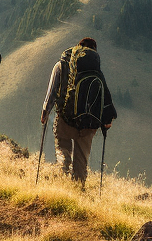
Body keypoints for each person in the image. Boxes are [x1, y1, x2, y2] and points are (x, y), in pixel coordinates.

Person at [41, 37, 117, 187]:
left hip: (65, 119)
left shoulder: (61, 65)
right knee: (81, 164)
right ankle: (77, 193)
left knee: (63, 153)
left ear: (77, 48)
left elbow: (51, 93)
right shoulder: (96, 71)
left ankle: (60, 185)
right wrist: (106, 122)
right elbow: (105, 98)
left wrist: (45, 112)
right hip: (88, 125)